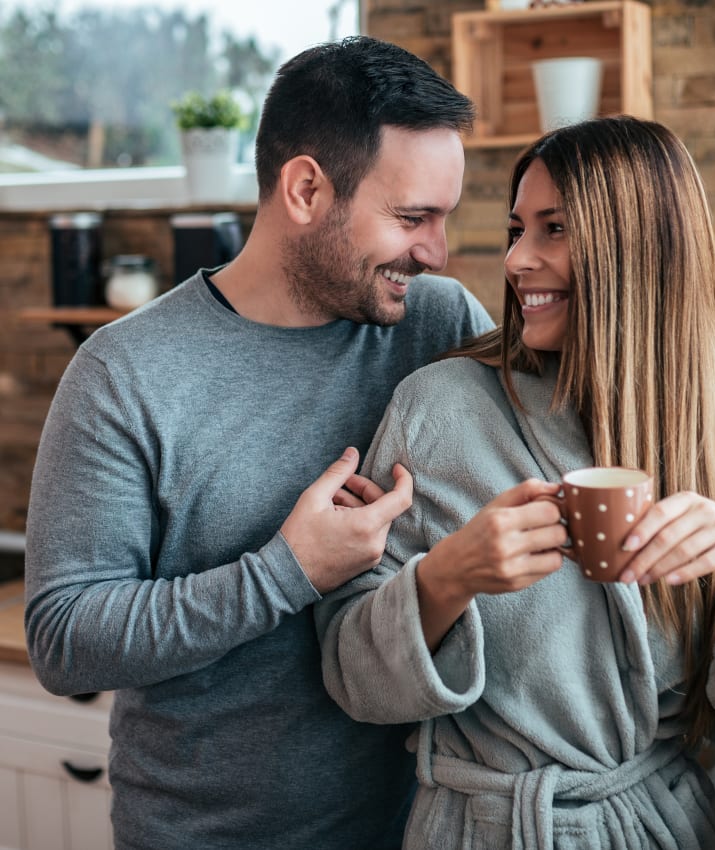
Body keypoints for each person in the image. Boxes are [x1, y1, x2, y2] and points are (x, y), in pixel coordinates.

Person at [25, 36, 494, 850]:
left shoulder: (439, 324)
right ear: (307, 189)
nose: (435, 252)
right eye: (411, 217)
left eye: (442, 218)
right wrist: (289, 571)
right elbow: (64, 637)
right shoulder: (126, 372)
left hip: (416, 830)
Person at [316, 116, 715, 849]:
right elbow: (350, 674)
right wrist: (448, 578)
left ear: (640, 249)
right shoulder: (441, 408)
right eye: (518, 227)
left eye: (554, 229)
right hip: (481, 828)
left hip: (657, 828)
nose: (517, 259)